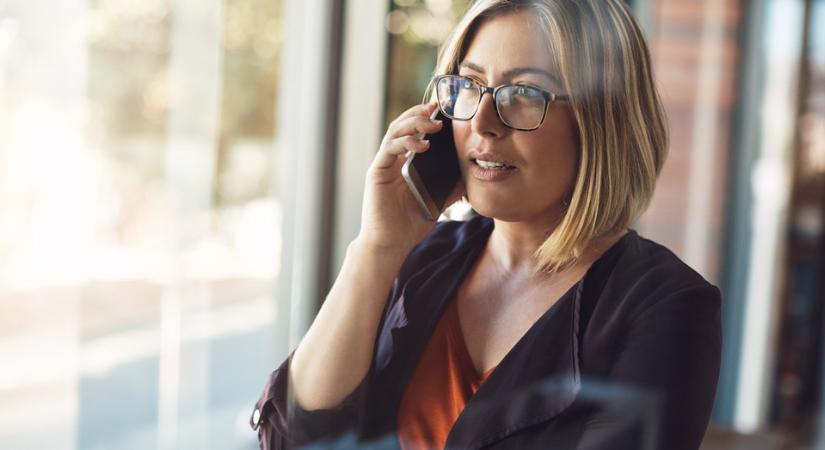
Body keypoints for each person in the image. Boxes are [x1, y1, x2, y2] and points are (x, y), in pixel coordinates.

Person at [250, 0, 722, 449]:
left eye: (523, 94)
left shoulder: (665, 307)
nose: (483, 122)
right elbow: (291, 437)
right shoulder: (422, 258)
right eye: (468, 87)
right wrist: (375, 248)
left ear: (600, 120)